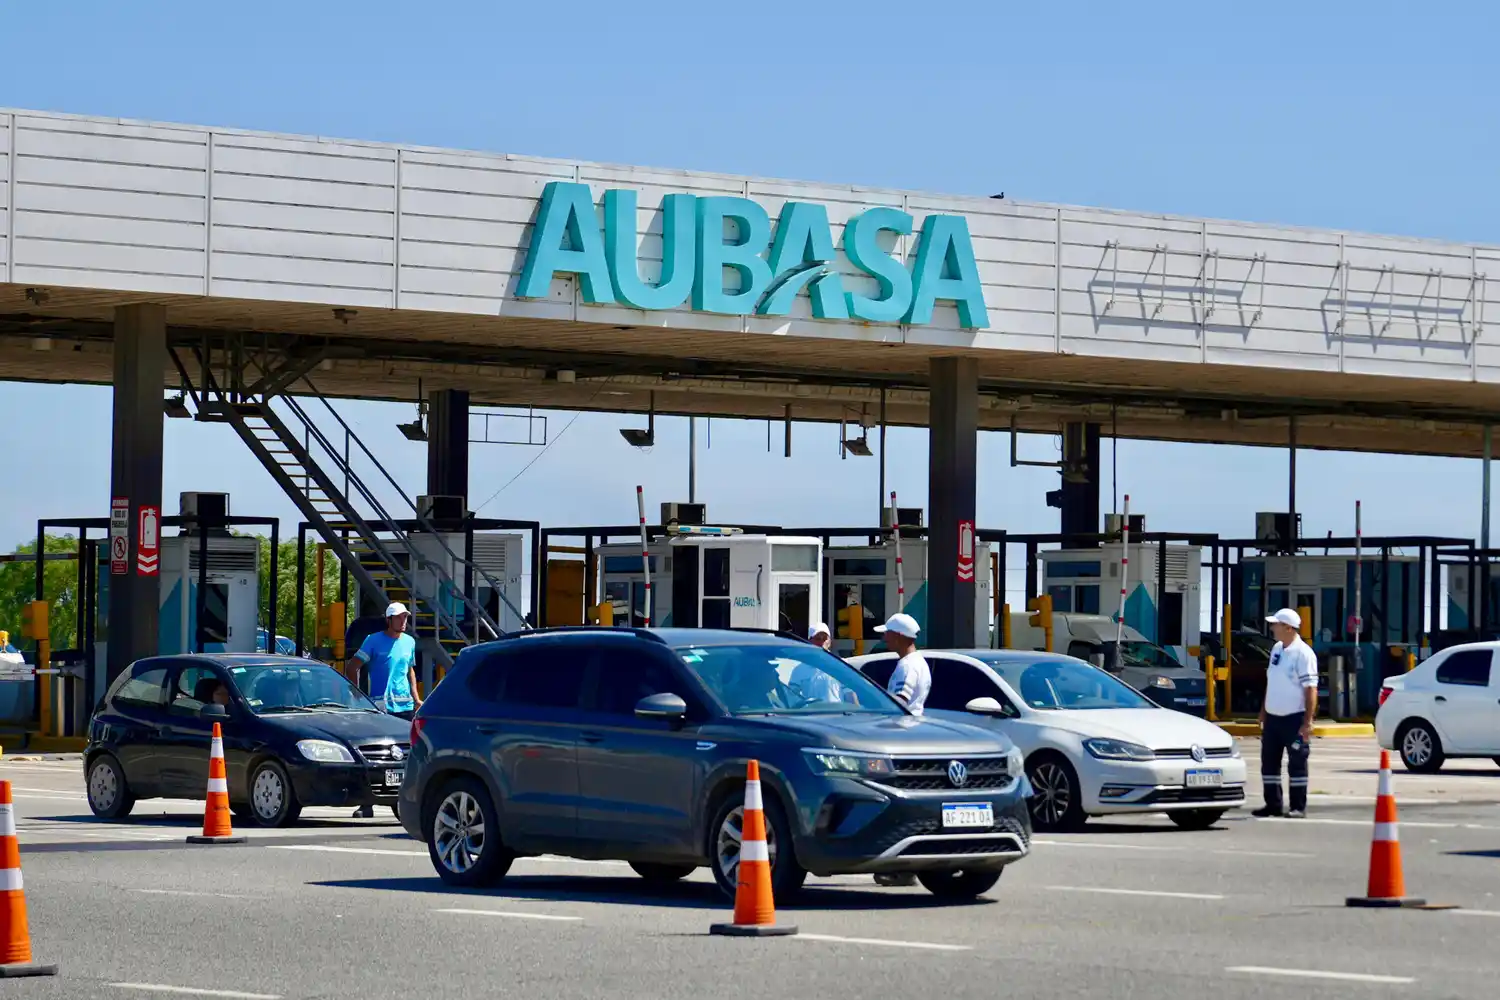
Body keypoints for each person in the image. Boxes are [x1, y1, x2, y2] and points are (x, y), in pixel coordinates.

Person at [348, 601, 422, 818]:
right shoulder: (373, 640)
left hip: (405, 706)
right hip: (381, 705)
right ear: (389, 620)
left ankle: (403, 801)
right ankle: (367, 802)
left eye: (405, 617)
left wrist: (416, 698)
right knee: (375, 754)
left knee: (406, 754)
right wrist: (357, 695)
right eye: (399, 617)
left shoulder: (409, 642)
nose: (403, 621)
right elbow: (353, 666)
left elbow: (410, 671)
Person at [1254, 608, 1319, 819]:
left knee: (1297, 763)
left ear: (1288, 627)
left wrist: (1307, 721)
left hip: (1294, 719)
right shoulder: (1277, 649)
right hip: (1273, 719)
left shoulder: (1304, 654)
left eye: (1276, 624)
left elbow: (1311, 689)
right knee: (1269, 762)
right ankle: (1272, 804)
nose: (1272, 628)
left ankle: (1298, 806)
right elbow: (1271, 681)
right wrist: (1264, 711)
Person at [874, 613, 931, 715]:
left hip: (902, 726)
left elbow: (899, 702)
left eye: (887, 633)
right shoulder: (918, 662)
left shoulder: (908, 666)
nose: (885, 637)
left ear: (898, 636)